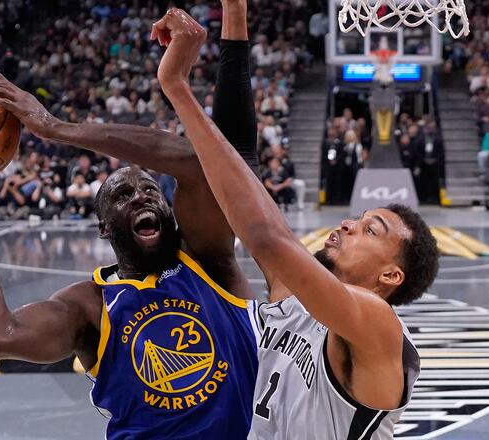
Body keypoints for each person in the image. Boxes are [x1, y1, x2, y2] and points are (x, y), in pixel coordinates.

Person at [0, 3, 261, 438]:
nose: (140, 197)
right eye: (122, 195)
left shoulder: (208, 262)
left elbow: (195, 161)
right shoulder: (89, 306)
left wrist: (55, 128)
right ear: (103, 227)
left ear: (170, 211)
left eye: (150, 191)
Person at [155, 9, 439, 439]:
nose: (348, 224)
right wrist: (236, 16)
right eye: (358, 219)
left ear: (391, 274)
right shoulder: (297, 299)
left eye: (370, 229)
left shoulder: (378, 328)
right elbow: (242, 165)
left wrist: (177, 89)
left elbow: (266, 238)